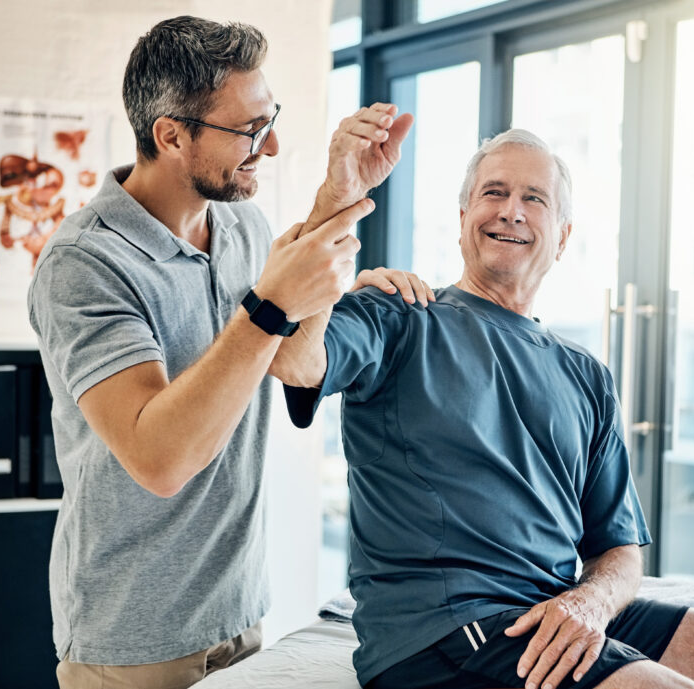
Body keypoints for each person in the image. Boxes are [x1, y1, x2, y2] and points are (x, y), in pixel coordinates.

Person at [274, 127, 694, 689]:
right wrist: (337, 198)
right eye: (493, 193)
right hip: (442, 631)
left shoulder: (586, 374)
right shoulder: (398, 314)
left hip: (556, 609)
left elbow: (619, 551)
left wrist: (589, 603)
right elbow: (295, 359)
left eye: (533, 199)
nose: (511, 211)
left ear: (562, 237)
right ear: (464, 214)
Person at [28, 16, 426, 689]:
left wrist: (338, 196)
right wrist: (270, 303)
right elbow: (160, 458)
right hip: (131, 638)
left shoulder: (243, 224)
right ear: (171, 135)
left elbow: (294, 359)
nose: (268, 149)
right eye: (248, 131)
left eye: (270, 121)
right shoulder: (84, 264)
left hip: (238, 611)